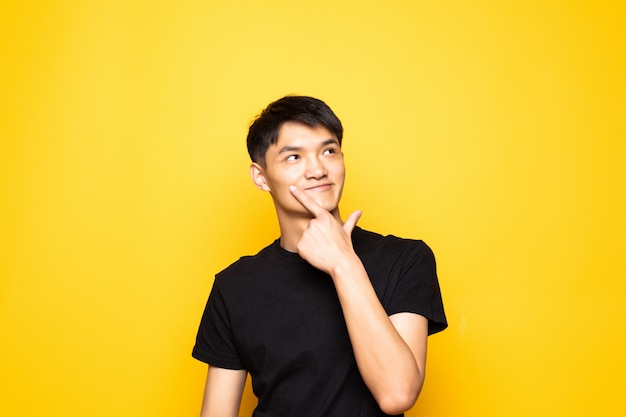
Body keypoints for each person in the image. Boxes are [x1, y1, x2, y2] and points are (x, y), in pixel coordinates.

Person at [192, 95, 447, 417]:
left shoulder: (405, 259)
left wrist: (343, 263)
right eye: (294, 157)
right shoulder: (234, 286)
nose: (317, 170)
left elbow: (397, 393)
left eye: (329, 151)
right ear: (261, 177)